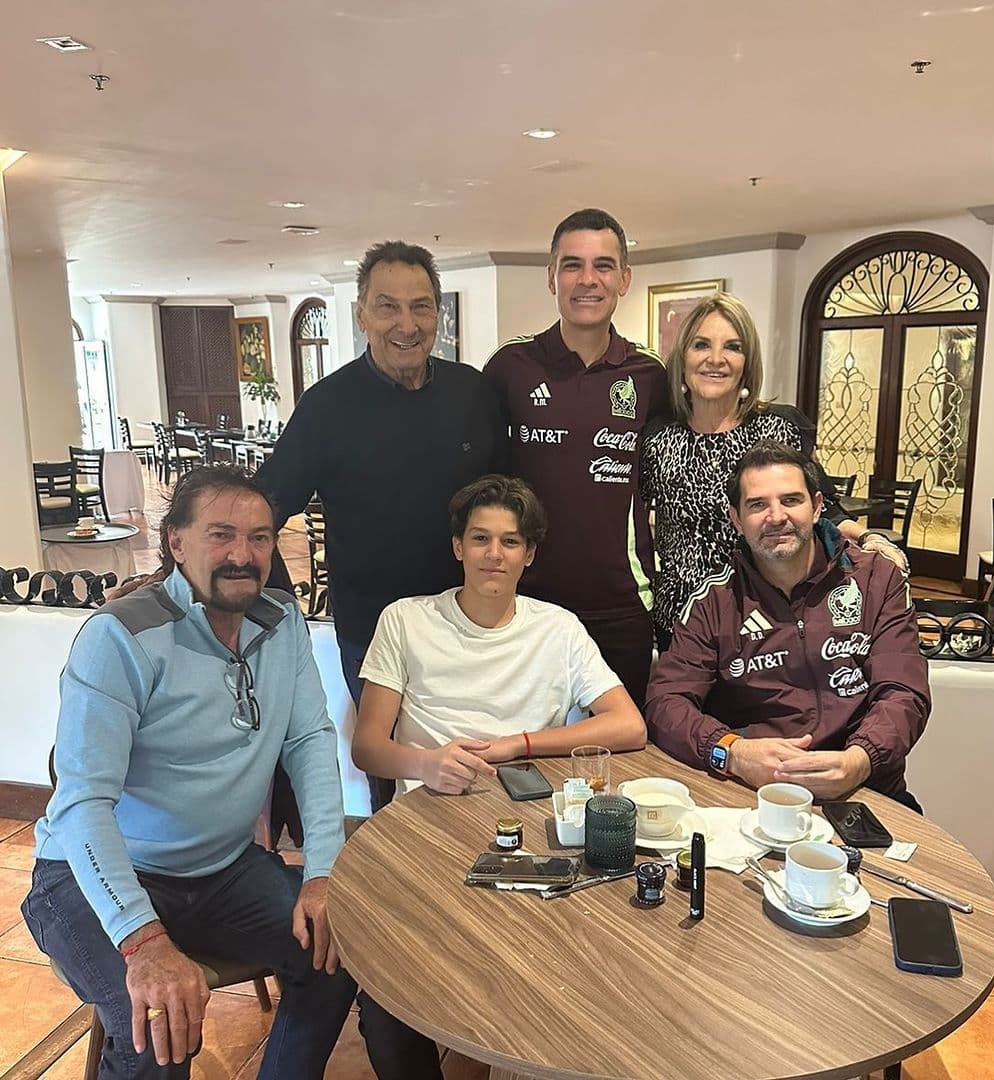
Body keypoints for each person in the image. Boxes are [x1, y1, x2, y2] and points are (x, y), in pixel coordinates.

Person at [21, 466, 356, 1078]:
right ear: (176, 542)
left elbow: (309, 740)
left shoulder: (282, 624)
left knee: (338, 958)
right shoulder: (120, 636)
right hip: (87, 881)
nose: (242, 555)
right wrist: (141, 937)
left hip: (222, 872)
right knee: (158, 1031)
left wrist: (324, 872)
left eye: (259, 537)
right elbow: (83, 804)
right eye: (220, 534)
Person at [351, 474, 645, 1077]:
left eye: (510, 542)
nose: (494, 554)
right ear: (457, 546)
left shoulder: (557, 629)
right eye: (480, 538)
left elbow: (628, 726)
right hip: (424, 825)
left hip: (526, 829)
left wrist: (523, 744)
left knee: (535, 976)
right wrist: (426, 763)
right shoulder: (406, 621)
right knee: (386, 990)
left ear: (529, 554)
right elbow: (367, 748)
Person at [257, 240, 508, 810]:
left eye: (420, 307)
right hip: (371, 628)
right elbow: (265, 507)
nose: (406, 324)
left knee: (470, 761)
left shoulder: (474, 394)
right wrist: (268, 599)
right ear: (361, 314)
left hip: (467, 623)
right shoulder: (326, 407)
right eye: (388, 306)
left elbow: (507, 500)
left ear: (437, 315)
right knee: (389, 777)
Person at [646, 443, 929, 807]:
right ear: (736, 519)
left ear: (817, 507)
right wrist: (732, 752)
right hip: (755, 795)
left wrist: (859, 760)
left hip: (867, 792)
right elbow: (665, 702)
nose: (776, 516)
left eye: (791, 500)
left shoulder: (877, 580)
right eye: (758, 504)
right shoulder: (714, 601)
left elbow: (904, 692)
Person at [640, 292, 908, 652]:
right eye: (701, 345)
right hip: (682, 621)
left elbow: (823, 508)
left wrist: (871, 539)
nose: (715, 359)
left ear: (747, 363)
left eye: (732, 347)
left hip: (767, 619)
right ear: (683, 359)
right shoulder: (657, 438)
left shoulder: (779, 427)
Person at [483, 208, 670, 708]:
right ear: (551, 277)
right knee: (528, 759)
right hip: (525, 604)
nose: (588, 280)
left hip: (622, 606)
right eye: (573, 265)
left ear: (624, 279)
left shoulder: (650, 375)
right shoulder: (509, 368)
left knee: (618, 760)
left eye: (604, 265)